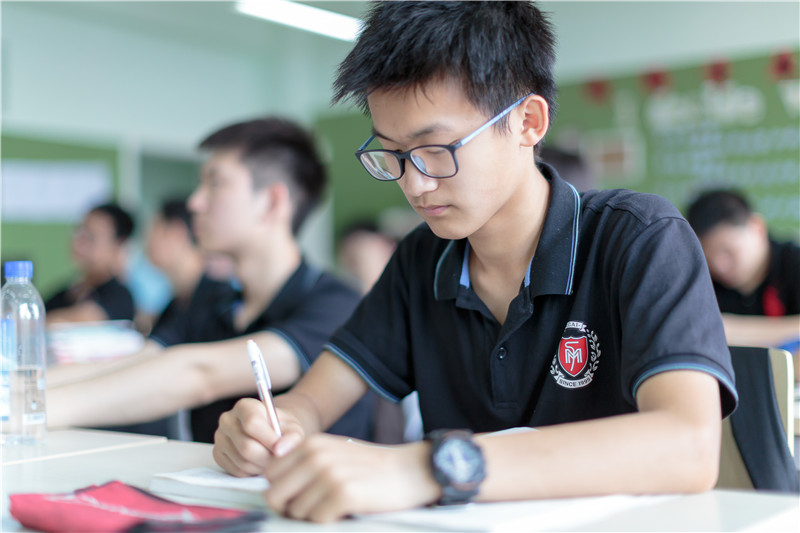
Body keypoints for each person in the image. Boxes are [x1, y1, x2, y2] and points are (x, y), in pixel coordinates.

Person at [213, 1, 737, 523]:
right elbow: (312, 401)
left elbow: (688, 446)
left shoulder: (639, 238)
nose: (414, 184)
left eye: (436, 148)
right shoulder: (423, 258)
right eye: (392, 154)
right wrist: (273, 425)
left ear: (528, 122)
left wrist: (433, 468)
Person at [47, 118, 373, 443]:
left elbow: (201, 374)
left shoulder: (336, 305)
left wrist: (30, 412)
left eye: (215, 183)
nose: (195, 202)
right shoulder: (216, 302)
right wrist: (25, 388)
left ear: (272, 202)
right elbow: (141, 360)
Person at [687, 189, 800, 379]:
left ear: (757, 227)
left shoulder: (793, 262)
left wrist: (729, 329)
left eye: (728, 251)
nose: (719, 266)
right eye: (708, 256)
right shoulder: (700, 280)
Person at [145, 198, 232, 340]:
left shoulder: (218, 303)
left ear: (176, 233)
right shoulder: (177, 303)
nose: (147, 241)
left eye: (154, 229)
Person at [46, 203, 136, 324]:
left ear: (117, 246)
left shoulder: (119, 296)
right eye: (79, 233)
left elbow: (85, 319)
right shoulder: (69, 293)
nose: (80, 242)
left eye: (91, 237)